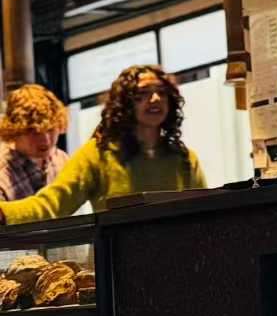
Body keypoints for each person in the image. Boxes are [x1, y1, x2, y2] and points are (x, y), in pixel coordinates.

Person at [0, 64, 205, 224]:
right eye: (142, 94)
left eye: (162, 92)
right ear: (124, 103)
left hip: (179, 260)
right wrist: (4, 213)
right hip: (118, 261)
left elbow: (205, 213)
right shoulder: (98, 154)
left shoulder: (185, 159)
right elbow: (53, 204)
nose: (155, 99)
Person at [0, 84, 69, 202]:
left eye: (51, 129)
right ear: (14, 131)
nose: (46, 140)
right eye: (35, 132)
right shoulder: (3, 175)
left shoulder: (61, 160)